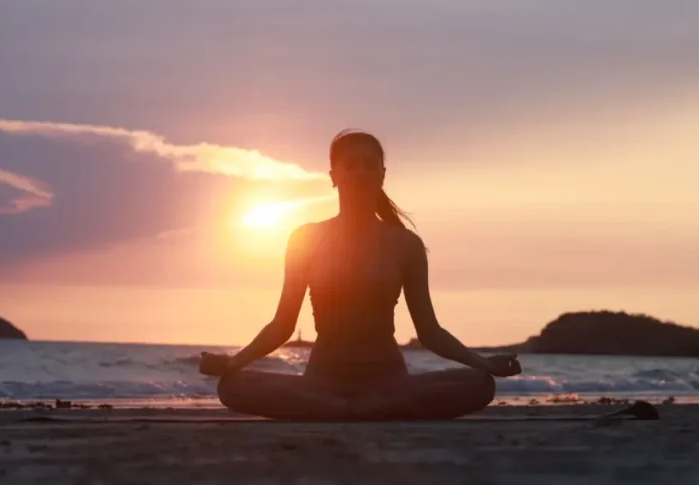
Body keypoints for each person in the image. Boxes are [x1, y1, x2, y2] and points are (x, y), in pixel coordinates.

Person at [199, 129, 522, 420]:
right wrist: (233, 363)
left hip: (389, 382)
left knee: (480, 384)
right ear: (333, 175)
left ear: (382, 174)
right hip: (322, 382)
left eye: (370, 165)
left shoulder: (405, 243)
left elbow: (430, 331)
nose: (361, 172)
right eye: (351, 165)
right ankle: (360, 409)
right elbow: (282, 325)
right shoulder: (305, 238)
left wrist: (484, 364)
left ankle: (346, 410)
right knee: (232, 386)